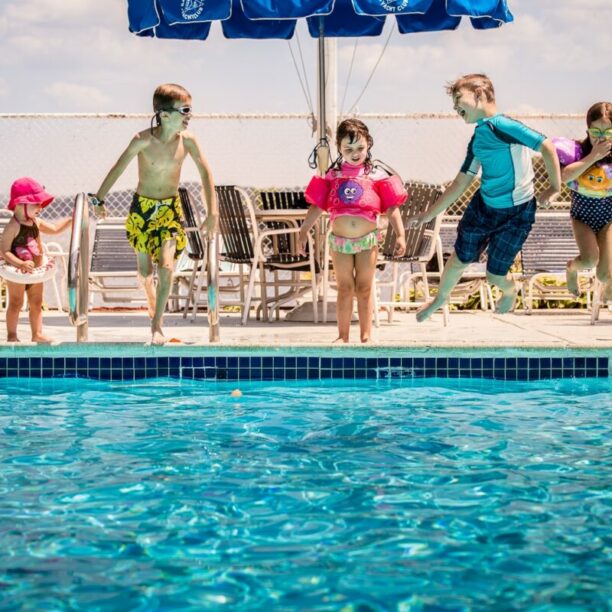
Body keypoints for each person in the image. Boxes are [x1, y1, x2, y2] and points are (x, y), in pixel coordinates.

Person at [408, 73, 561, 321]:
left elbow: (547, 146)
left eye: (459, 98)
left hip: (518, 213)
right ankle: (439, 298)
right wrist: (428, 215)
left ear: (479, 94)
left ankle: (510, 291)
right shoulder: (478, 139)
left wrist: (554, 187)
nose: (455, 106)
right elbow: (460, 183)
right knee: (459, 258)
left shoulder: (504, 126)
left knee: (495, 275)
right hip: (484, 207)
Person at [90, 83, 217, 345]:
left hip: (169, 210)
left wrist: (212, 212)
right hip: (142, 210)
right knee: (146, 273)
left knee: (167, 266)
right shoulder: (142, 140)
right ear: (164, 114)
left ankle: (156, 324)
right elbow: (118, 168)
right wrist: (99, 199)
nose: (189, 116)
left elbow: (205, 173)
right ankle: (149, 294)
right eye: (185, 110)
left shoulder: (189, 141)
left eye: (190, 110)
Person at [298, 118, 407, 343]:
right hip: (340, 241)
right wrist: (303, 230)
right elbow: (318, 205)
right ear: (339, 148)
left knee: (365, 288)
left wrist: (401, 234)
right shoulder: (333, 174)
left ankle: (366, 336)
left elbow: (392, 207)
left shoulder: (376, 173)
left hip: (367, 240)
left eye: (360, 148)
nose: (355, 153)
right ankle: (343, 336)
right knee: (345, 288)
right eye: (348, 149)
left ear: (369, 144)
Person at [1, 177, 71, 343]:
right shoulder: (13, 225)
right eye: (36, 203)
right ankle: (12, 335)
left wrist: (70, 220)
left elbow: (54, 229)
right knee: (16, 302)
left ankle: (37, 333)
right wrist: (21, 263)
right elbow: (4, 251)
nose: (40, 207)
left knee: (37, 301)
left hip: (36, 271)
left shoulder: (36, 222)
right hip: (17, 271)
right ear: (21, 204)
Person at [559, 102, 612, 302]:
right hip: (582, 217)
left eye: (609, 131)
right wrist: (594, 156)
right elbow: (564, 177)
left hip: (609, 218)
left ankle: (608, 291)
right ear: (588, 130)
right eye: (596, 131)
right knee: (589, 259)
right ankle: (572, 268)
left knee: (604, 275)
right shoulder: (579, 151)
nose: (602, 136)